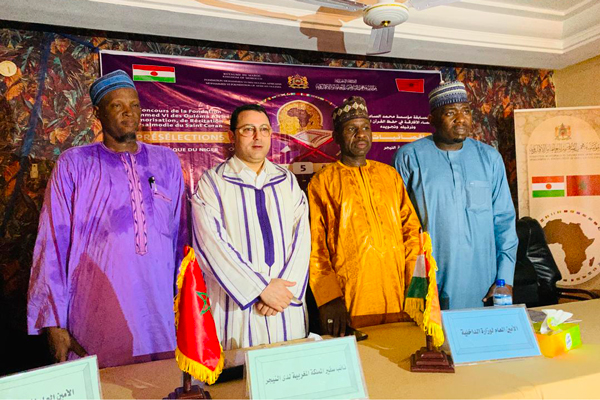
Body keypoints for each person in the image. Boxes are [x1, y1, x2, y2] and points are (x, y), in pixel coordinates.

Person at [27, 70, 185, 368]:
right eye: (117, 105)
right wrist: (54, 321)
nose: (129, 112)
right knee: (105, 382)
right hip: (96, 305)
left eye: (135, 105)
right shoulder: (74, 163)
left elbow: (181, 237)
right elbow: (52, 243)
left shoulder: (166, 161)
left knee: (162, 379)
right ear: (97, 113)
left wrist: (187, 302)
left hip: (160, 308)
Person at [191, 104, 311, 350]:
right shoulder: (213, 183)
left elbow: (302, 239)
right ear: (232, 136)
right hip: (236, 308)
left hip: (284, 306)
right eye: (248, 129)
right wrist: (260, 289)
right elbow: (210, 244)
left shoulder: (287, 180)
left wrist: (281, 293)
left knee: (291, 365)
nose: (258, 136)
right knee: (238, 371)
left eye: (264, 129)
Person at [394, 81, 518, 310]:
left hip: (483, 282)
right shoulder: (410, 157)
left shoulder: (489, 158)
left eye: (466, 111)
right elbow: (399, 224)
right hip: (430, 280)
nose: (461, 119)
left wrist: (505, 279)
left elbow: (504, 222)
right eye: (450, 113)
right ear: (432, 120)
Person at [308, 96, 422, 337]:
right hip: (351, 296)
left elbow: (412, 232)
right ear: (336, 137)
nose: (361, 134)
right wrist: (329, 298)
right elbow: (316, 246)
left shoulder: (390, 176)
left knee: (399, 347)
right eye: (352, 129)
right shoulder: (323, 182)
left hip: (398, 291)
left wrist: (416, 286)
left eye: (366, 128)